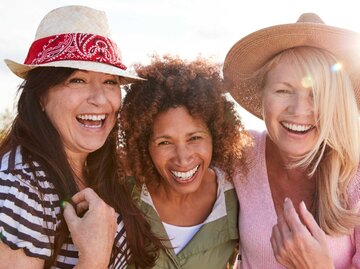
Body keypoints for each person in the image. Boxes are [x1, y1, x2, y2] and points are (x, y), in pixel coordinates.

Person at [0, 5, 162, 269]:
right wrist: (94, 258)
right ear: (41, 95)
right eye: (78, 80)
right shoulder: (22, 186)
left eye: (110, 82)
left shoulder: (100, 170)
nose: (99, 99)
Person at [223, 13, 360, 268]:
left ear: (336, 104)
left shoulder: (355, 176)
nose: (299, 110)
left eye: (317, 95)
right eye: (283, 91)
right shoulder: (241, 154)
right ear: (263, 95)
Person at [118, 55, 250, 268]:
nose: (183, 158)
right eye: (164, 142)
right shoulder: (122, 195)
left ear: (215, 136)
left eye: (195, 138)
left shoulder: (236, 199)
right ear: (144, 145)